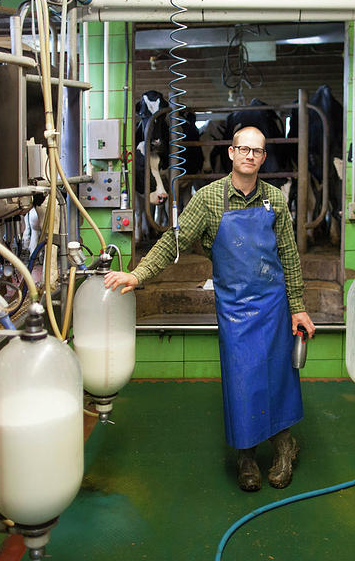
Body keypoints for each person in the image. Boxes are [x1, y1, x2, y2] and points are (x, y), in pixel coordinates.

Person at [104, 126, 316, 492]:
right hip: (234, 308)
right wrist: (139, 273)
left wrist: (297, 307)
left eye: (258, 151)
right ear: (231, 153)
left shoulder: (275, 201)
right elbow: (176, 240)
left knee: (280, 378)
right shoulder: (208, 199)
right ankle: (246, 456)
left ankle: (285, 447)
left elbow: (289, 257)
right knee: (242, 381)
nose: (250, 156)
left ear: (264, 158)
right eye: (244, 149)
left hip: (272, 304)